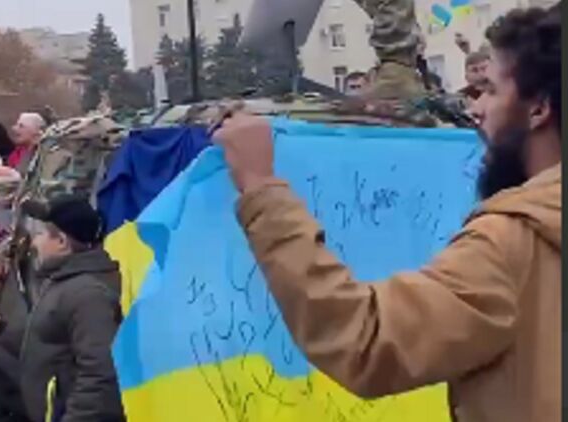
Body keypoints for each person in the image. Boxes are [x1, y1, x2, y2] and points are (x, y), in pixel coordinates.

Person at [213, 5, 560, 422]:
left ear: (538, 109)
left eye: (491, 90)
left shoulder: (512, 242)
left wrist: (260, 186)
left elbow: (365, 339)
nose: (477, 109)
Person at [0, 194, 125, 422]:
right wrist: (0, 330)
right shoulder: (64, 283)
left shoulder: (88, 294)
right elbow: (51, 342)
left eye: (40, 234)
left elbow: (100, 375)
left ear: (62, 242)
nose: (34, 243)